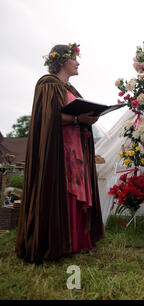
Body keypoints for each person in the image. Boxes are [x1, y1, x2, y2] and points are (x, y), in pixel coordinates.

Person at [16, 43, 104, 263]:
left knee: (77, 192)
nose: (78, 63)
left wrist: (90, 117)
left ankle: (79, 242)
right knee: (63, 193)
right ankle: (62, 242)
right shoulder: (47, 85)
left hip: (76, 149)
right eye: (75, 59)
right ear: (63, 62)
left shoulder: (70, 90)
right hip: (59, 151)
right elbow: (48, 116)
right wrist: (77, 119)